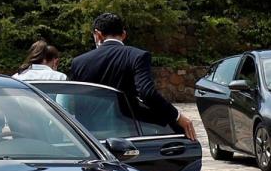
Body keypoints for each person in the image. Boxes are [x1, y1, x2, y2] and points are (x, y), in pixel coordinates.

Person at [70, 12, 197, 140]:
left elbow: (74, 102)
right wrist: (177, 116)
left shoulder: (79, 62)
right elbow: (147, 94)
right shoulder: (137, 56)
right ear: (124, 35)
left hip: (90, 138)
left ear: (98, 34)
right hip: (126, 133)